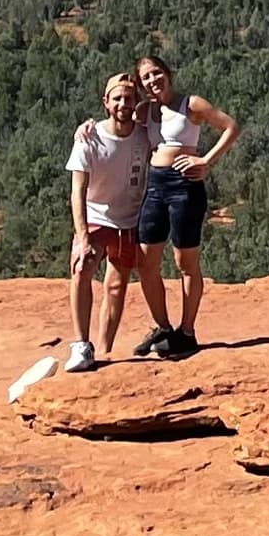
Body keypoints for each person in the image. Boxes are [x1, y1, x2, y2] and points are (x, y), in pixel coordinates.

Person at [130, 54, 241, 359]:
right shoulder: (145, 111)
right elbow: (115, 123)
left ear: (168, 73)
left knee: (185, 263)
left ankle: (187, 333)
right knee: (145, 262)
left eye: (156, 73)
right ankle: (164, 327)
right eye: (145, 79)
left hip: (185, 187)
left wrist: (206, 161)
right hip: (155, 187)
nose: (152, 81)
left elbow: (230, 126)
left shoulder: (191, 104)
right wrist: (86, 129)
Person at [63, 72, 171, 372]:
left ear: (136, 102)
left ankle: (106, 352)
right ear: (106, 102)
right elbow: (77, 191)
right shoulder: (89, 138)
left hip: (129, 222)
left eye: (129, 98)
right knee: (82, 268)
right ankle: (82, 345)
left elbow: (170, 123)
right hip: (98, 219)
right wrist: (82, 236)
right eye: (117, 98)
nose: (123, 103)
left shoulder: (143, 135)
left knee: (116, 286)